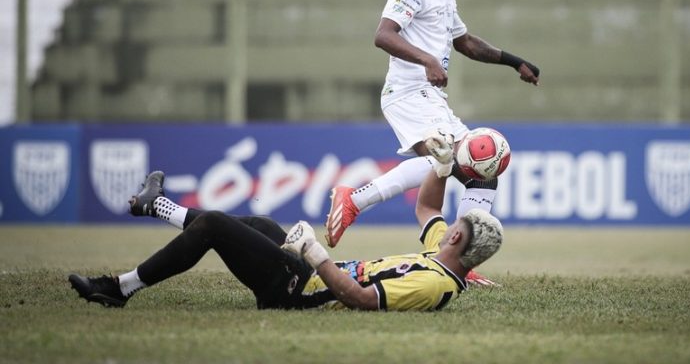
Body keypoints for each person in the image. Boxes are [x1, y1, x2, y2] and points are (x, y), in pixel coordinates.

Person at [324, 0, 539, 287]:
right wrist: (426, 60)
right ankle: (354, 199)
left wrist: (514, 60)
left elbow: (466, 43)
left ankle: (458, 264)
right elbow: (383, 35)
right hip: (408, 94)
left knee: (482, 174)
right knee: (446, 158)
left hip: (430, 98)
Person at [69, 169, 503, 311]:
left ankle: (120, 288)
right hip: (306, 276)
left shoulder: (432, 282)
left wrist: (314, 252)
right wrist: (442, 164)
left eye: (457, 226)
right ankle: (156, 206)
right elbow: (427, 208)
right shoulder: (442, 256)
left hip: (299, 290)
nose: (451, 224)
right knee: (257, 225)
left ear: (460, 240)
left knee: (216, 225)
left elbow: (358, 298)